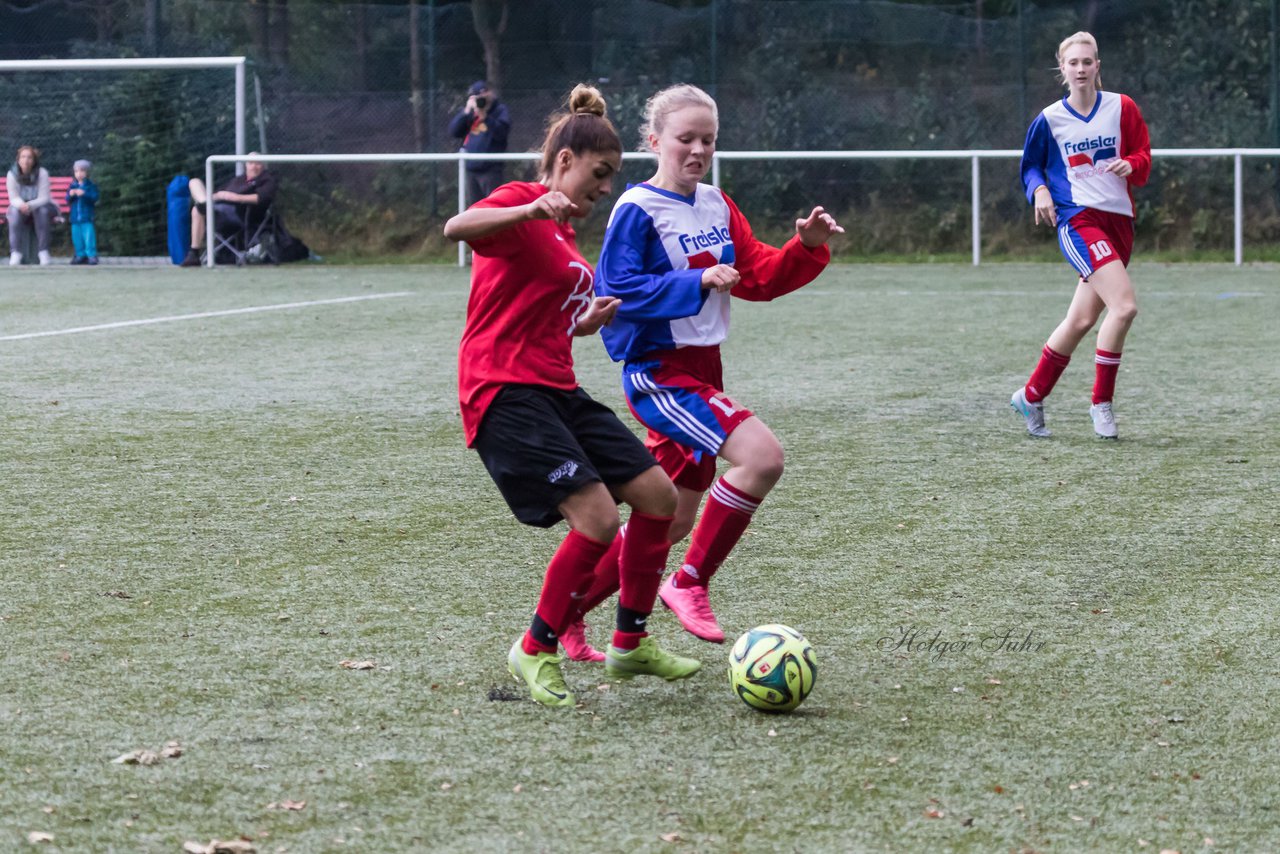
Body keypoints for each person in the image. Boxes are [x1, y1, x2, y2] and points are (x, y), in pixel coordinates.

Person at [561, 84, 843, 657]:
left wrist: (802, 246)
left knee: (668, 521)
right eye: (685, 138)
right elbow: (616, 291)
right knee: (762, 457)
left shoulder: (716, 203)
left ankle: (563, 616)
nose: (696, 150)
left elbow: (758, 273)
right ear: (655, 140)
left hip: (704, 371)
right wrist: (696, 281)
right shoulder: (637, 209)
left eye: (707, 140)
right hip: (658, 373)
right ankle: (687, 583)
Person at [442, 84, 701, 708]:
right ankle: (533, 649)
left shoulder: (563, 234)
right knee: (598, 519)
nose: (605, 187)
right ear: (565, 162)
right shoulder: (525, 204)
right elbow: (458, 225)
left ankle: (630, 643)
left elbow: (539, 309)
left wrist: (581, 323)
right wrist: (529, 210)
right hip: (504, 392)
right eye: (600, 173)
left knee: (658, 497)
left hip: (557, 387)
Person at [1011, 31, 1151, 440]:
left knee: (1082, 318)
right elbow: (1031, 165)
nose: (1081, 69)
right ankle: (1101, 403)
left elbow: (1143, 155)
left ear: (1097, 66)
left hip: (1119, 223)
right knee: (1123, 308)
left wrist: (1131, 163)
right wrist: (1038, 190)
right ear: (1063, 69)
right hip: (1079, 220)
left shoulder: (1121, 107)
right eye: (1073, 63)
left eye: (1087, 62)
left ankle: (1031, 395)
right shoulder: (1050, 118)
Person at [180, 154, 277, 267]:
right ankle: (203, 204)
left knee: (197, 211)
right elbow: (219, 194)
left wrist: (233, 197)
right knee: (194, 182)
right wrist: (218, 196)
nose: (254, 166)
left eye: (257, 163)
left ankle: (194, 252)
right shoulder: (238, 180)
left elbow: (260, 198)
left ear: (263, 166)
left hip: (238, 216)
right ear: (246, 165)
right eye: (251, 163)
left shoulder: (267, 180)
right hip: (217, 209)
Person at [448, 80, 512, 205]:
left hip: (491, 170)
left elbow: (502, 133)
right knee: (474, 208)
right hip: (471, 169)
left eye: (484, 93)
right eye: (478, 96)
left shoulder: (499, 110)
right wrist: (466, 111)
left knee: (493, 206)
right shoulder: (471, 114)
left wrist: (486, 118)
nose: (482, 98)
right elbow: (454, 132)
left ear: (490, 93)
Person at [6, 145, 55, 266]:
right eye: (23, 157)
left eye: (29, 157)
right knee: (14, 215)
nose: (26, 160)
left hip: (40, 205)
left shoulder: (42, 173)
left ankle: (43, 252)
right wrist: (22, 205)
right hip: (20, 206)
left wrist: (30, 205)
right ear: (18, 159)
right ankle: (15, 253)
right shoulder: (11, 174)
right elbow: (13, 198)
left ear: (34, 160)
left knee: (42, 212)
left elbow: (44, 198)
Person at [67, 159, 100, 266]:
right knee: (77, 238)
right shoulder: (72, 186)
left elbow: (95, 197)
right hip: (75, 219)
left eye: (82, 171)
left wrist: (84, 194)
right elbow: (67, 199)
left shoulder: (90, 186)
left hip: (87, 218)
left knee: (89, 237)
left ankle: (91, 255)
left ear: (87, 172)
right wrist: (70, 195)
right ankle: (80, 255)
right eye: (76, 171)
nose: (79, 174)